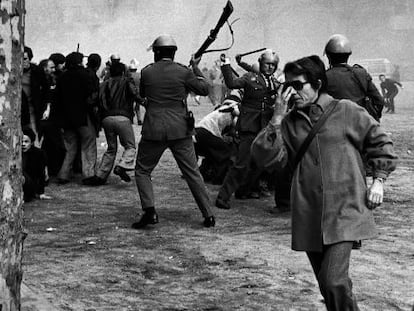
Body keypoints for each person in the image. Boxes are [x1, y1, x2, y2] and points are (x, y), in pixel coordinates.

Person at [251, 55, 397, 310]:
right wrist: (276, 118)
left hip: (345, 208)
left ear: (317, 84)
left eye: (298, 86)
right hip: (309, 211)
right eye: (287, 87)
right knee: (328, 284)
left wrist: (378, 181)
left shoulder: (346, 111)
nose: (292, 93)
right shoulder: (288, 123)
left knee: (333, 282)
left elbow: (381, 143)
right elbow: (264, 158)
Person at [133, 34, 215, 229]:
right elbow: (205, 89)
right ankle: (208, 214)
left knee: (143, 170)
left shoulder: (147, 72)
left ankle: (150, 211)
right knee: (192, 172)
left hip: (154, 128)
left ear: (157, 52)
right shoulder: (183, 72)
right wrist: (195, 67)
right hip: (180, 129)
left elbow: (144, 94)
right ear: (173, 52)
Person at [215, 49, 280, 210]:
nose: (270, 67)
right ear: (261, 63)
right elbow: (231, 83)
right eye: (267, 64)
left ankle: (243, 191)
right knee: (241, 164)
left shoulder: (273, 82)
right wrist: (226, 64)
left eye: (273, 65)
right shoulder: (250, 78)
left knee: (259, 163)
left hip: (263, 128)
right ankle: (222, 197)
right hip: (249, 126)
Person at [88, 62, 143, 185]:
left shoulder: (103, 84)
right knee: (130, 146)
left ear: (110, 72)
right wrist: (145, 102)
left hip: (107, 119)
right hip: (123, 118)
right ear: (123, 72)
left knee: (111, 148)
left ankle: (101, 175)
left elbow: (92, 100)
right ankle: (122, 165)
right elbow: (136, 95)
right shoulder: (126, 82)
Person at [54, 52, 97, 184]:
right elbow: (91, 95)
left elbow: (57, 98)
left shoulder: (62, 76)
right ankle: (88, 174)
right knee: (88, 143)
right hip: (82, 116)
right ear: (79, 62)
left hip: (66, 118)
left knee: (70, 147)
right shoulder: (85, 75)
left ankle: (63, 174)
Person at [324, 34, 384, 122]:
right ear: (348, 55)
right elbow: (379, 101)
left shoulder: (324, 76)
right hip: (360, 123)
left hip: (335, 124)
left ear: (329, 56)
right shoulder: (361, 73)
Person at [194, 90, 241, 185]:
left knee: (211, 154)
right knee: (225, 153)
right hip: (208, 132)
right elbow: (235, 126)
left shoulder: (219, 109)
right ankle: (219, 179)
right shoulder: (232, 109)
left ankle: (204, 174)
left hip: (198, 132)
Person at [22, 127, 51, 202]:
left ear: (31, 142)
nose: (23, 144)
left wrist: (41, 193)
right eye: (21, 141)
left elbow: (41, 174)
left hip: (30, 186)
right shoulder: (15, 153)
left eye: (26, 142)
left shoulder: (39, 154)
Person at [127, 58, 144, 125]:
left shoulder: (128, 75)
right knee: (137, 107)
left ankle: (131, 120)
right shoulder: (139, 75)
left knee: (130, 106)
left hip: (130, 92)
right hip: (138, 92)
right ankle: (139, 120)